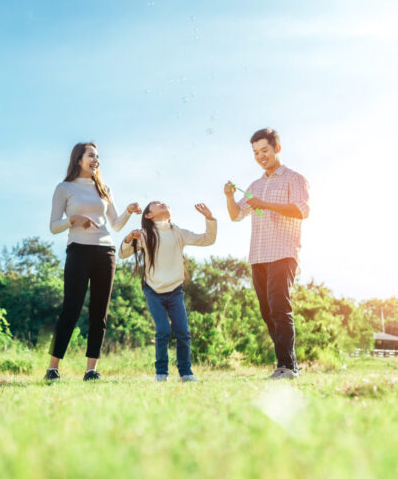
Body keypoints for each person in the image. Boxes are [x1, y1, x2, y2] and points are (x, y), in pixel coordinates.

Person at [45, 142, 141, 381]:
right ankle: (53, 368)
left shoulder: (104, 188)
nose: (96, 159)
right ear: (78, 159)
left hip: (105, 252)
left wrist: (128, 210)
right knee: (71, 308)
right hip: (78, 250)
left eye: (98, 156)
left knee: (100, 313)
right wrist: (73, 219)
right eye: (91, 155)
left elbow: (116, 224)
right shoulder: (64, 188)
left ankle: (91, 370)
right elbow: (53, 226)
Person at [224, 128, 310, 380]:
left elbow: (302, 210)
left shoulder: (294, 179)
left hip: (284, 252)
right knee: (267, 311)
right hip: (258, 256)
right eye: (255, 152)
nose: (260, 156)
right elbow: (235, 215)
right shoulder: (255, 185)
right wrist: (230, 196)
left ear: (277, 149)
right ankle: (289, 363)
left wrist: (265, 204)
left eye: (265, 150)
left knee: (279, 306)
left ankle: (286, 366)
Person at [119, 201, 217, 382]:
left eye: (162, 202)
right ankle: (161, 373)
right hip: (153, 290)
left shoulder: (177, 233)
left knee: (183, 331)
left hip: (175, 290)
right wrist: (129, 238)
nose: (162, 203)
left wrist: (209, 219)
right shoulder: (146, 235)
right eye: (156, 204)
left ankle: (186, 373)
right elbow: (123, 254)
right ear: (148, 215)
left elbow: (207, 239)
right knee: (163, 330)